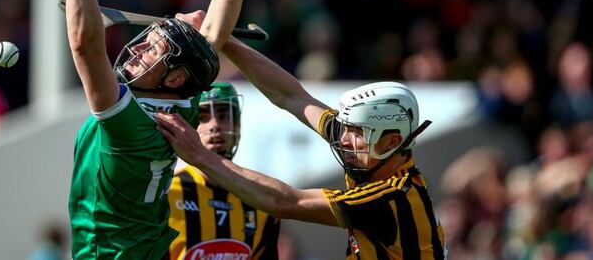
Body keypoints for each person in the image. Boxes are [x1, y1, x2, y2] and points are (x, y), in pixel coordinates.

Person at [60, 0, 270, 260]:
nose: (137, 48)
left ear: (174, 77)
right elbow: (215, 33)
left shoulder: (127, 120)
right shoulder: (184, 107)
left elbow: (84, 43)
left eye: (153, 50)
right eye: (145, 41)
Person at [157, 18, 446, 259]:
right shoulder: (367, 148)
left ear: (392, 142)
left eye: (357, 133)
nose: (343, 139)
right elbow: (291, 96)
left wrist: (201, 156)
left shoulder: (392, 199)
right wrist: (226, 39)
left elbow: (285, 202)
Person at [167, 82, 280, 259]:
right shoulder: (165, 194)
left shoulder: (262, 202)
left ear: (237, 125)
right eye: (203, 117)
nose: (214, 126)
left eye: (223, 115)